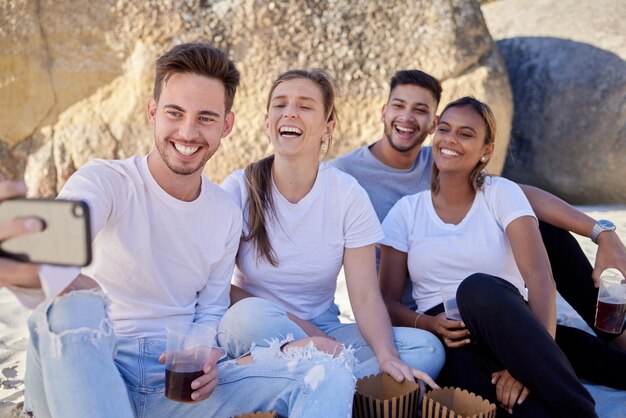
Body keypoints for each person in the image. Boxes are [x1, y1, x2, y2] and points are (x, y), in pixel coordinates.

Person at [6, 43, 357, 418]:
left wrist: (205, 353)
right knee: (75, 304)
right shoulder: (107, 180)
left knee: (327, 370)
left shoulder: (224, 212)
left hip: (176, 382)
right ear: (152, 112)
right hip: (95, 364)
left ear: (227, 125)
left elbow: (210, 310)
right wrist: (26, 258)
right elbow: (63, 236)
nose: (188, 132)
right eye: (174, 113)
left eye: (206, 118)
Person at [330, 70, 626, 360]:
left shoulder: (442, 157)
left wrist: (602, 233)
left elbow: (522, 196)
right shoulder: (345, 173)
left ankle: (615, 336)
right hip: (420, 309)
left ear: (433, 124)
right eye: (398, 105)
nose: (407, 117)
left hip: (479, 296)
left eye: (420, 110)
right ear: (383, 111)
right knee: (559, 351)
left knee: (550, 236)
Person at [217, 69, 444, 385]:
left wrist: (386, 356)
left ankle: (277, 376)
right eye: (280, 104)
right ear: (267, 122)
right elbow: (215, 284)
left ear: (328, 128)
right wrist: (309, 336)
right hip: (261, 326)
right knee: (244, 320)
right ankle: (340, 380)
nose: (290, 112)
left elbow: (364, 297)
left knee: (427, 349)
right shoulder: (239, 188)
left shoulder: (346, 193)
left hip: (325, 328)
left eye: (305, 106)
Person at [379, 96, 598, 417]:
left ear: (486, 150)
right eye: (444, 129)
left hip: (510, 321)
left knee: (476, 288)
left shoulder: (501, 193)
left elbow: (540, 279)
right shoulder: (405, 212)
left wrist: (525, 365)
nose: (451, 139)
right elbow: (385, 300)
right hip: (450, 339)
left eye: (466, 134)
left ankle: (581, 411)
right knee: (520, 406)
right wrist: (428, 324)